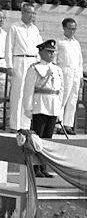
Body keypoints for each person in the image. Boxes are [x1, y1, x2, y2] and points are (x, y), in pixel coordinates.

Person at [22, 40, 63, 178]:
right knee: (37, 138)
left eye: (53, 52)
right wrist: (28, 108)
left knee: (47, 139)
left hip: (52, 106)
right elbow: (28, 89)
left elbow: (60, 91)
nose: (51, 54)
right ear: (41, 52)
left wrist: (59, 110)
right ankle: (35, 167)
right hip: (39, 106)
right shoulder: (34, 68)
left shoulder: (57, 69)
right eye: (48, 52)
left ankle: (44, 167)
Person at [5, 3, 43, 131]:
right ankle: (15, 125)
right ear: (23, 12)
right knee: (18, 93)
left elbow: (39, 48)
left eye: (34, 13)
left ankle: (25, 125)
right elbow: (9, 47)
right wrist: (9, 65)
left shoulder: (35, 29)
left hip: (32, 62)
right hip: (19, 60)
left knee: (29, 94)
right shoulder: (15, 27)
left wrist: (39, 63)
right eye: (30, 13)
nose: (32, 15)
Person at [55, 17, 82, 136]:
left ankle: (68, 124)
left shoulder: (76, 43)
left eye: (74, 29)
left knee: (73, 99)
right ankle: (58, 123)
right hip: (64, 70)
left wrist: (80, 76)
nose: (72, 31)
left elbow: (80, 61)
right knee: (63, 97)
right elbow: (55, 59)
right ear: (64, 28)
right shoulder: (59, 42)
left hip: (75, 71)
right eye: (70, 29)